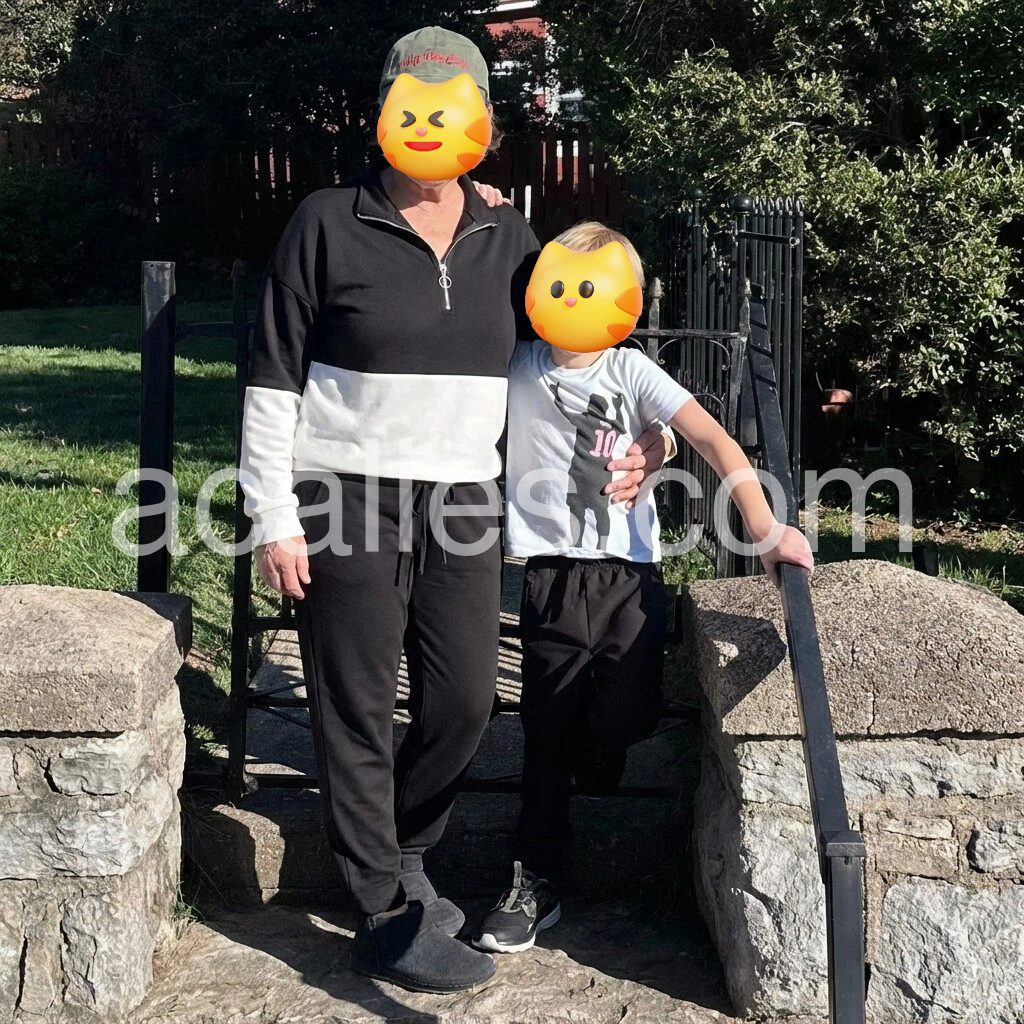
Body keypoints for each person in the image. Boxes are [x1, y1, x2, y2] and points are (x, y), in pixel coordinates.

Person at [239, 29, 669, 994]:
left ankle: (405, 850)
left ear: (481, 123)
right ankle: (383, 908)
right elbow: (272, 378)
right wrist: (274, 513)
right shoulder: (326, 221)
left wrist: (658, 439)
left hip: (467, 499)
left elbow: (582, 358)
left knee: (466, 698)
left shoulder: (511, 241)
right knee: (355, 704)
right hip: (344, 494)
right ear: (387, 112)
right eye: (414, 102)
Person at [471, 222, 814, 954]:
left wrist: (765, 530)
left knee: (629, 711)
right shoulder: (517, 362)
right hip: (551, 575)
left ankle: (601, 751)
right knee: (544, 731)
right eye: (559, 287)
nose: (571, 302)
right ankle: (534, 876)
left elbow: (714, 439)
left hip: (629, 575)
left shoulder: (630, 370)